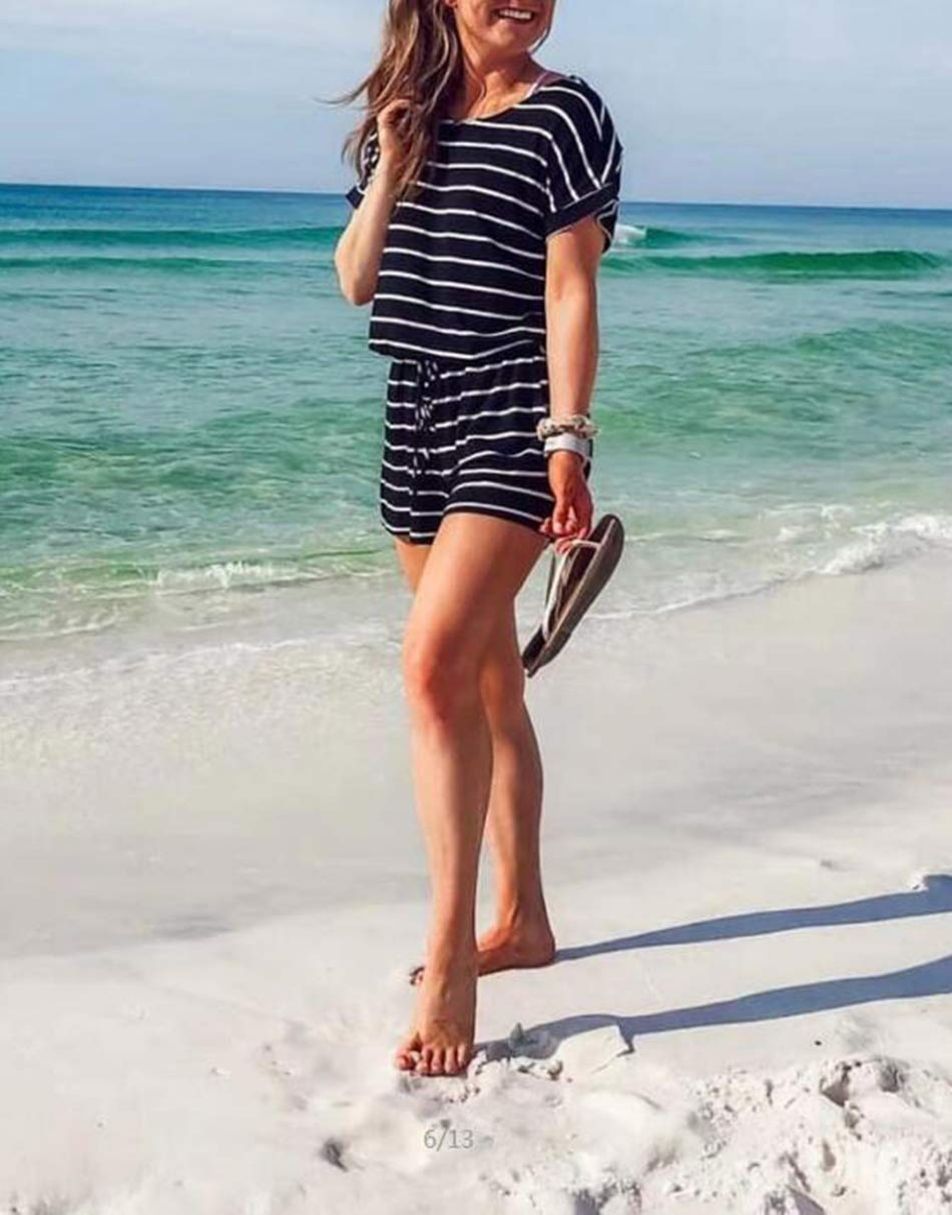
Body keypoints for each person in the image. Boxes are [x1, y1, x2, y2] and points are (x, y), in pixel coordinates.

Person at [333, 0, 623, 1077]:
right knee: (490, 683)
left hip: (511, 410)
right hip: (414, 413)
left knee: (430, 670)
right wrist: (391, 161)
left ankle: (451, 957)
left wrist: (568, 441)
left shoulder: (566, 114)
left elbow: (570, 285)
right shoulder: (402, 116)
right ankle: (525, 920)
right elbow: (356, 280)